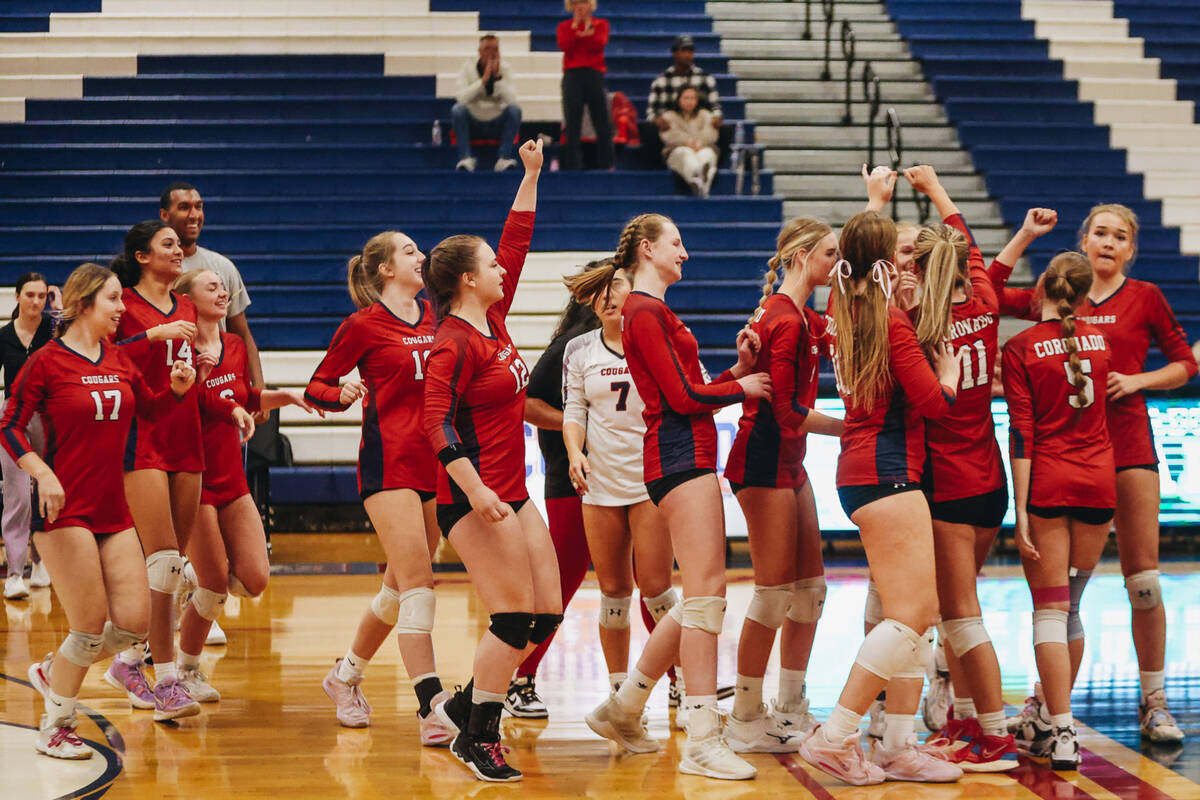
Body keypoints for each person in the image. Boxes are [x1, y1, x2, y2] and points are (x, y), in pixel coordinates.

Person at [992, 204, 1195, 745]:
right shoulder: (1052, 295)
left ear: (1131, 249)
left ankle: (1155, 701)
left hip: (1126, 450)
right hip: (1071, 459)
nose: (1108, 242)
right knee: (1066, 600)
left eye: (1120, 236)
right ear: (1083, 242)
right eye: (1100, 233)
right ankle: (1046, 704)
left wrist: (1138, 380)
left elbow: (1186, 364)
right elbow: (987, 298)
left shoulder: (1145, 297)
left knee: (1144, 582)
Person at [584, 213, 770, 781]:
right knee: (708, 597)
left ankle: (623, 707)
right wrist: (741, 388)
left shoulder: (651, 311)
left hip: (684, 455)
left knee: (697, 598)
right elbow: (683, 397)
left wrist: (735, 370)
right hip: (677, 457)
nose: (685, 252)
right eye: (677, 243)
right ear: (648, 248)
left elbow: (688, 384)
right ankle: (703, 740)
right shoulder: (643, 311)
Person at [797, 210, 963, 785]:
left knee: (914, 616)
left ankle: (897, 744)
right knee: (914, 615)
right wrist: (949, 372)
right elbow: (935, 404)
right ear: (889, 261)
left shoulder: (844, 310)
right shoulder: (887, 321)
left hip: (865, 470)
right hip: (888, 470)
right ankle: (836, 736)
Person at [2, 262, 194, 758]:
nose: (121, 309)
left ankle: (55, 669)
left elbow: (146, 410)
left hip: (113, 507)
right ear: (84, 304)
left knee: (132, 623)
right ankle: (56, 726)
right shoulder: (45, 361)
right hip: (64, 509)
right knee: (88, 624)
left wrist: (176, 388)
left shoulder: (116, 356)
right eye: (113, 299)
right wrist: (41, 472)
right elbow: (9, 426)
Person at [422, 139, 560, 782]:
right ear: (466, 281)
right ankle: (477, 735)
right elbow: (434, 421)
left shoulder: (493, 317)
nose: (504, 272)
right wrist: (475, 492)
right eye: (490, 267)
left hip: (515, 491)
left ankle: (463, 700)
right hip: (476, 496)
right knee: (511, 616)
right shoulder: (452, 343)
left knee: (548, 613)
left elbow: (516, 243)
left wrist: (531, 175)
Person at [898, 167, 1037, 772]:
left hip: (949, 484)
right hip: (990, 483)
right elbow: (968, 243)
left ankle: (995, 735)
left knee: (961, 614)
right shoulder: (981, 298)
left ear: (927, 272)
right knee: (958, 612)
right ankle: (959, 721)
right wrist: (936, 191)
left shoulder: (924, 328)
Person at [303, 229, 454, 743]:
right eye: (410, 251)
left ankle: (343, 677)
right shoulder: (363, 325)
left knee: (395, 591)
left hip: (435, 463)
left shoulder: (439, 318)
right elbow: (316, 387)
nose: (422, 256)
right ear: (387, 269)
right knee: (419, 588)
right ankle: (432, 708)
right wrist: (342, 391)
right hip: (387, 467)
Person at [103, 220, 252, 722]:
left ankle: (126, 661)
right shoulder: (122, 301)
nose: (179, 250)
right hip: (144, 437)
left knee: (171, 571)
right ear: (143, 256)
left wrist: (202, 376)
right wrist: (154, 334)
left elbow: (180, 371)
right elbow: (105, 358)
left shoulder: (187, 307)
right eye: (167, 244)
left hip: (187, 434)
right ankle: (166, 678)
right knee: (165, 562)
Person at [722, 218, 843, 753]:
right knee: (772, 595)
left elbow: (841, 325)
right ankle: (745, 717)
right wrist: (852, 427)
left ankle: (790, 706)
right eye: (830, 253)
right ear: (800, 256)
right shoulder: (786, 320)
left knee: (810, 591)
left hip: (789, 465)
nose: (838, 263)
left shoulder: (796, 314)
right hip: (766, 458)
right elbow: (791, 414)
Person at [171, 269, 311, 703]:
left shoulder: (233, 344)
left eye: (223, 286)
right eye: (211, 286)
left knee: (254, 579)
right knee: (214, 588)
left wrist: (280, 397)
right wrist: (229, 408)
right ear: (188, 299)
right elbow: (189, 402)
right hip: (193, 480)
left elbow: (242, 396)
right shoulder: (179, 350)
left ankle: (190, 574)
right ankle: (186, 670)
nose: (223, 291)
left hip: (232, 478)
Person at [1001, 251, 1115, 770]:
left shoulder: (1021, 346)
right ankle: (1055, 726)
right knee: (1073, 608)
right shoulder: (1101, 340)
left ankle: (1058, 730)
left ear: (1041, 286)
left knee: (1048, 610)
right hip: (1099, 484)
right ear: (1085, 293)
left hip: (1048, 482)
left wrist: (1021, 509)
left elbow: (1022, 432)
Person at [560, 261, 681, 703]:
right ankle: (617, 692)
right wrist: (576, 452)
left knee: (657, 589)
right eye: (600, 292)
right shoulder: (578, 350)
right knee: (612, 592)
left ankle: (682, 683)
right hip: (601, 483)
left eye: (617, 287)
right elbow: (574, 411)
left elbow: (692, 390)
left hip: (651, 480)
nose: (609, 297)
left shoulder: (657, 336)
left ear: (634, 290)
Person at [506, 277, 600, 718]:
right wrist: (574, 422)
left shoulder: (634, 338)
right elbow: (525, 404)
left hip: (624, 477)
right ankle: (516, 675)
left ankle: (678, 681)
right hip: (571, 478)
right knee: (559, 584)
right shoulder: (572, 344)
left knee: (650, 579)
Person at [160, 182, 265, 419]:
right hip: (173, 386)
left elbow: (242, 332)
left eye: (199, 207)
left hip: (220, 383)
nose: (194, 215)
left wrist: (258, 387)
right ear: (164, 215)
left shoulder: (222, 267)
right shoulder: (153, 271)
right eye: (184, 207)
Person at [1, 273, 54, 599]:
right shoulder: (4, 336)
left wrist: (61, 313)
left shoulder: (54, 331)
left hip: (49, 415)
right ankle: (15, 574)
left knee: (49, 490)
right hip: (13, 418)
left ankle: (44, 562)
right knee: (18, 495)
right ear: (18, 297)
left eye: (42, 296)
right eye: (30, 295)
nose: (36, 302)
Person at [557, 0, 614, 171]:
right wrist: (577, 29)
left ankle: (607, 163)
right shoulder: (564, 26)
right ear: (571, 6)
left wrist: (585, 33)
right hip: (572, 75)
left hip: (594, 74)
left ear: (590, 5)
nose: (580, 7)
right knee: (572, 121)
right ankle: (573, 165)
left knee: (601, 120)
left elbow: (598, 44)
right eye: (576, 3)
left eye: (583, 2)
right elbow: (565, 45)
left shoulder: (601, 24)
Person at [453, 34, 523, 173]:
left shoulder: (505, 69)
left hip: (496, 123)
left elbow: (512, 100)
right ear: (479, 51)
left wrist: (497, 79)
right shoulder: (467, 67)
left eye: (495, 49)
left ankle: (504, 158)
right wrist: (482, 82)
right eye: (487, 49)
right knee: (457, 110)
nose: (491, 53)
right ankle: (465, 158)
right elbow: (461, 98)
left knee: (515, 110)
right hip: (473, 122)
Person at [647, 35, 723, 131]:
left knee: (724, 130)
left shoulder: (706, 79)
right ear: (674, 54)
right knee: (649, 130)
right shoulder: (661, 81)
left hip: (699, 128)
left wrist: (716, 117)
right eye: (684, 51)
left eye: (690, 51)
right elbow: (650, 112)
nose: (688, 55)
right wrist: (657, 120)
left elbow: (716, 108)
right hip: (670, 128)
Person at [659, 88, 719, 198]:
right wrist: (688, 142)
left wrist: (699, 143)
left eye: (693, 98)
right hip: (677, 150)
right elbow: (670, 135)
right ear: (679, 100)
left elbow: (711, 134)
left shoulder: (705, 115)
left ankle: (698, 182)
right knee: (685, 153)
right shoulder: (669, 116)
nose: (689, 101)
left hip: (702, 147)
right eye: (686, 98)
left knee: (707, 154)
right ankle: (699, 176)